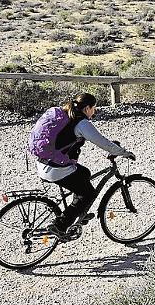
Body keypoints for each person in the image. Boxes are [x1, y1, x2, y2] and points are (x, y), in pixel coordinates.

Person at [32, 92, 134, 239]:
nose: (94, 111)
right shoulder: (81, 123)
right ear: (87, 108)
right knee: (88, 193)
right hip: (55, 169)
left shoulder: (66, 115)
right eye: (94, 108)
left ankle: (79, 210)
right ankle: (60, 225)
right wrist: (124, 152)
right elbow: (102, 142)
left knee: (84, 173)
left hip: (43, 163)